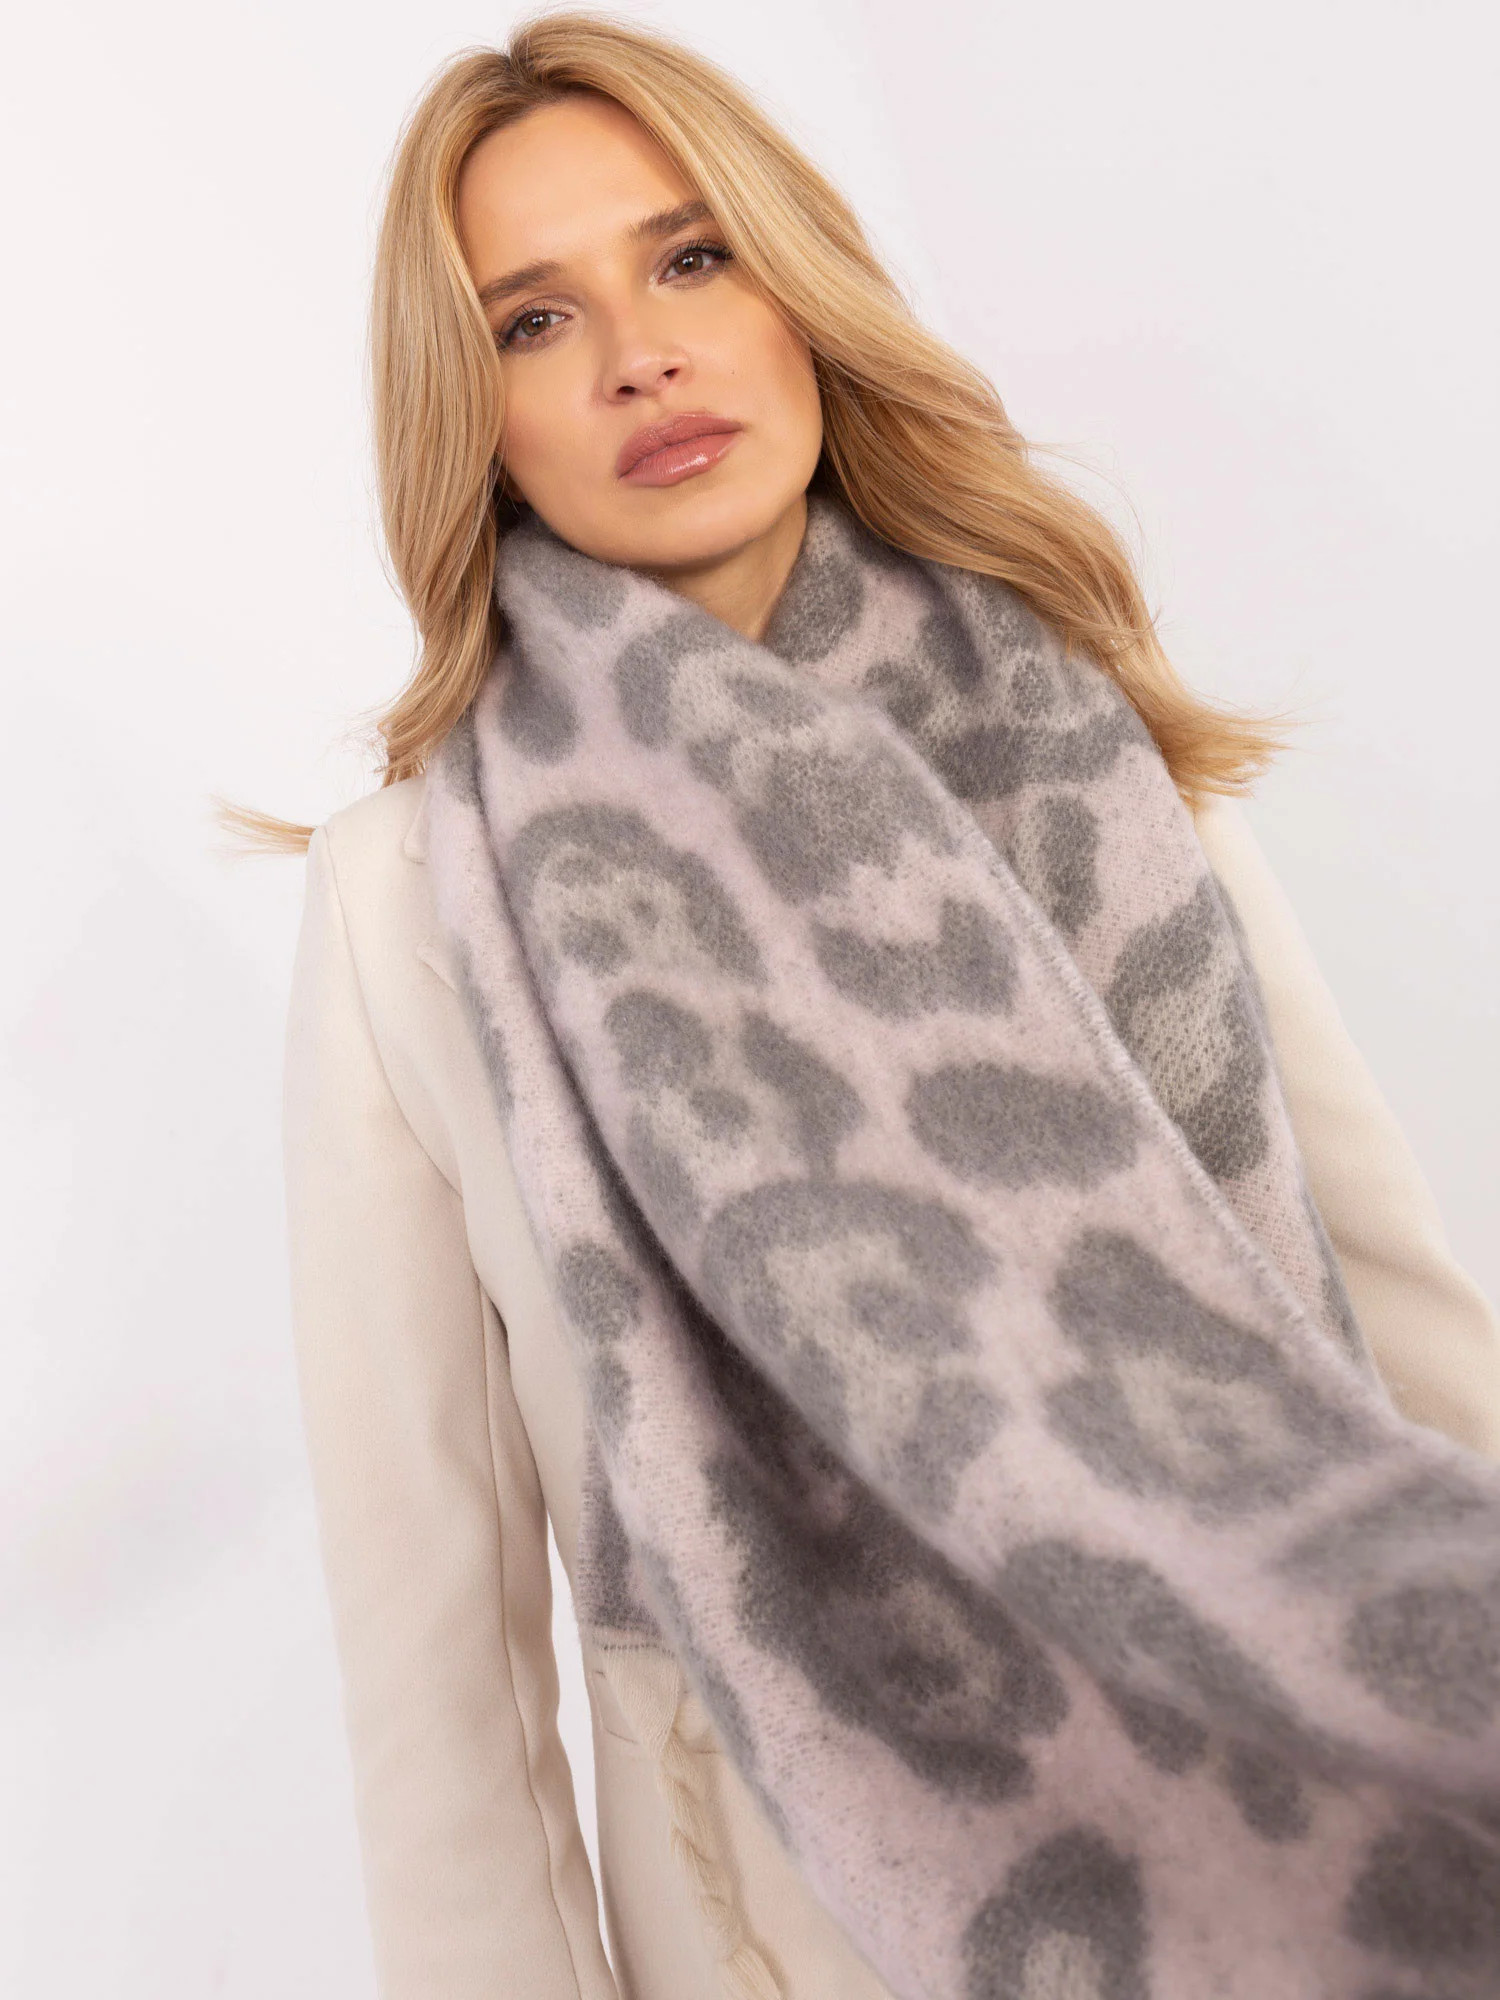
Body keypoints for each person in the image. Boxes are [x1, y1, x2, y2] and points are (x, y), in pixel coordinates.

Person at [245, 14, 1500, 1998]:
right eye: (534, 322)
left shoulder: (1089, 751)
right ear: (472, 418)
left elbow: (1394, 1331)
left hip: (1300, 1830)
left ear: (799, 294)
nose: (641, 355)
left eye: (690, 258)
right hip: (774, 1909)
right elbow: (436, 1643)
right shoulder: (409, 897)